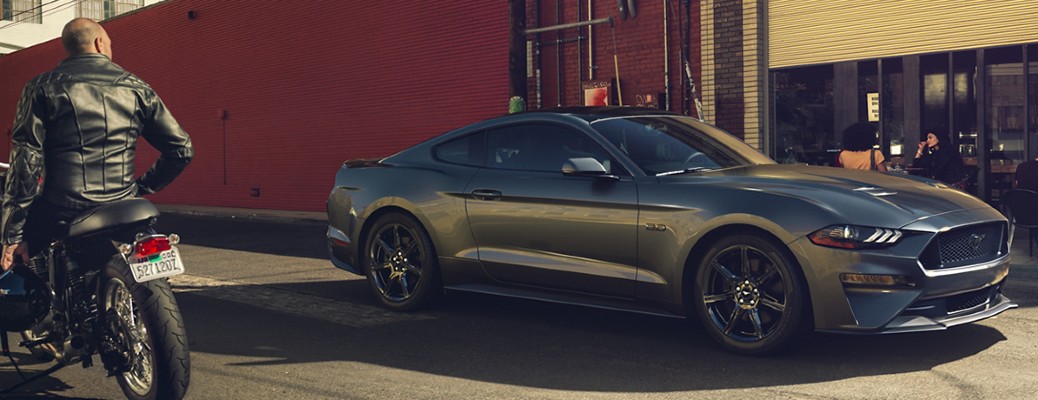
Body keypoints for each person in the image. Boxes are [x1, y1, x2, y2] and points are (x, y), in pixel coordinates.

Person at [1, 18, 193, 272]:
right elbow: (181, 150)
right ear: (100, 44)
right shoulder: (136, 88)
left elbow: (27, 160)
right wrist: (142, 186)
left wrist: (12, 235)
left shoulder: (42, 87)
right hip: (124, 203)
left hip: (61, 209)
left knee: (17, 266)